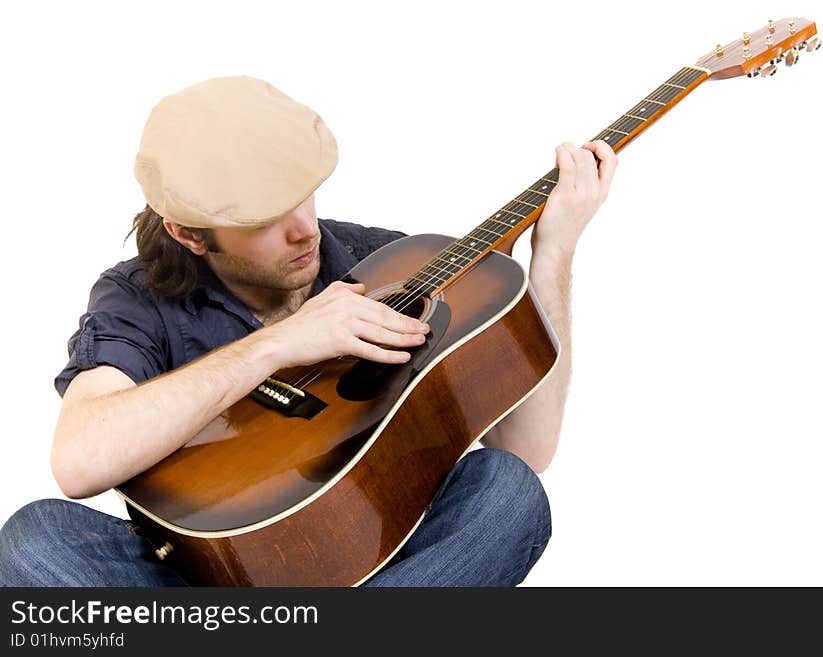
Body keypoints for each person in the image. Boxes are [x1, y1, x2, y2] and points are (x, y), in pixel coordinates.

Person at [0, 75, 617, 586]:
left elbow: (525, 449)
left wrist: (553, 255)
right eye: (267, 219)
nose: (304, 230)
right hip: (203, 577)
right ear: (191, 234)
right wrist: (277, 344)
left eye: (306, 195)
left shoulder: (389, 264)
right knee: (36, 540)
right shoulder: (137, 293)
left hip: (377, 557)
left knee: (508, 493)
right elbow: (79, 463)